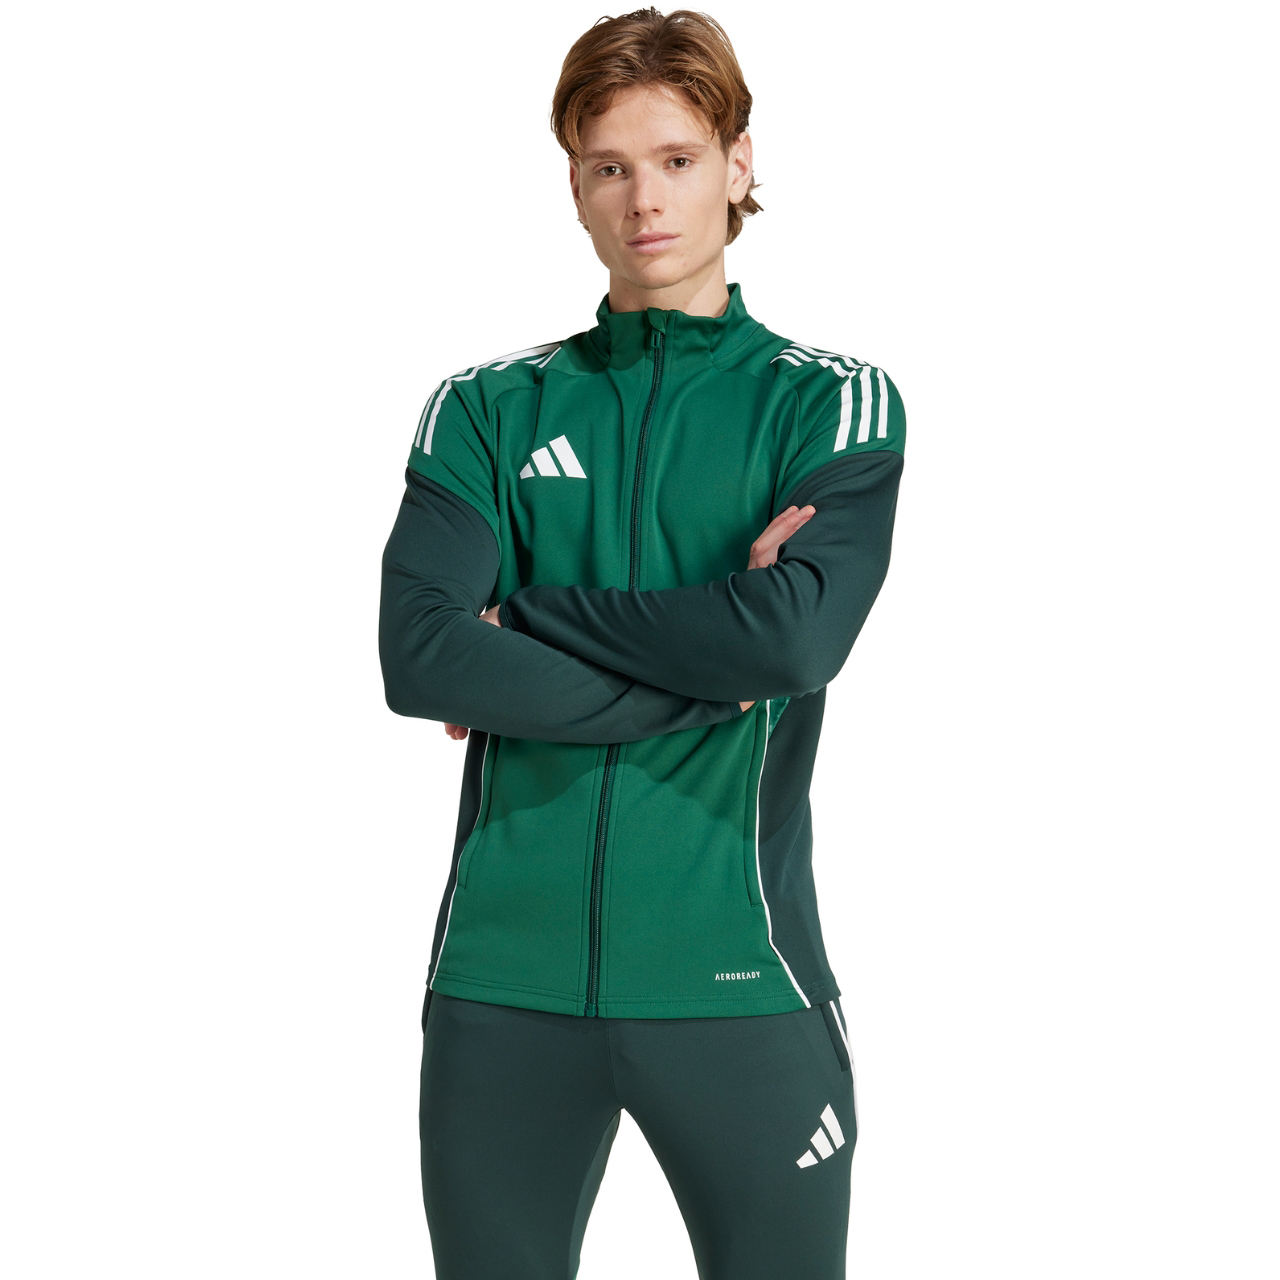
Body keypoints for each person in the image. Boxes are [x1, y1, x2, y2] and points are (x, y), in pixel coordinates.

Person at [379, 9, 905, 1277]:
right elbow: (422, 656)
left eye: (676, 159)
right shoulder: (485, 409)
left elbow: (792, 638)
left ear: (736, 163)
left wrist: (530, 613)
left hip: (741, 982)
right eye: (608, 166)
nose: (643, 200)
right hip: (499, 986)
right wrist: (704, 676)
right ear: (572, 183)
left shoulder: (827, 400)